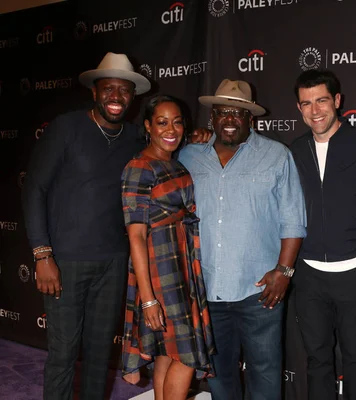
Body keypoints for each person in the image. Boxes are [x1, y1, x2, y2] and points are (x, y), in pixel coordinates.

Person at [22, 52, 150, 399]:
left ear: (132, 96)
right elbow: (35, 187)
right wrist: (42, 253)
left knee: (98, 355)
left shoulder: (136, 138)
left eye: (124, 91)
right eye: (108, 89)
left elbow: (170, 151)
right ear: (95, 92)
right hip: (64, 260)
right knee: (64, 353)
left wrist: (198, 137)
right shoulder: (66, 128)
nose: (116, 97)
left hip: (112, 262)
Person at [178, 79, 306, 400]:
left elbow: (293, 220)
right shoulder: (189, 157)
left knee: (265, 375)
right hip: (207, 290)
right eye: (223, 112)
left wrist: (284, 271)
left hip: (260, 292)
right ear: (212, 117)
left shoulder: (277, 156)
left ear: (251, 118)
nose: (230, 119)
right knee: (220, 378)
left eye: (239, 112)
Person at [290, 69, 356, 399]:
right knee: (317, 361)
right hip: (309, 275)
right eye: (306, 103)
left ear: (337, 101)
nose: (315, 111)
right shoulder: (294, 151)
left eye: (322, 100)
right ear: (299, 108)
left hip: (355, 273)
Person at [120, 95, 215, 400]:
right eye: (162, 122)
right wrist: (147, 299)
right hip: (160, 275)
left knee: (167, 352)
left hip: (183, 267)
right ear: (148, 126)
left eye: (177, 121)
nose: (171, 129)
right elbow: (135, 236)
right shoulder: (139, 167)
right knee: (186, 355)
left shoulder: (175, 163)